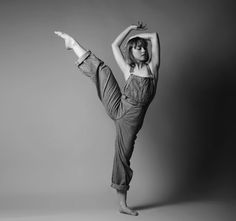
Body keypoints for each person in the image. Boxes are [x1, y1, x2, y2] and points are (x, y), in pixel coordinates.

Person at [54, 21, 160, 216]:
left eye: (143, 48)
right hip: (119, 106)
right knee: (104, 71)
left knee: (123, 157)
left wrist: (138, 37)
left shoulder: (153, 68)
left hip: (129, 121)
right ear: (131, 52)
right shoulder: (129, 69)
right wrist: (129, 30)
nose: (143, 51)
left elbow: (154, 37)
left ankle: (122, 204)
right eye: (138, 49)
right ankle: (74, 45)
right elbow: (114, 45)